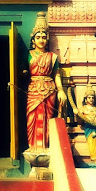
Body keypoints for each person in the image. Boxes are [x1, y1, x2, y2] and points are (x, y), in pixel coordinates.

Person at [26, 12, 67, 152]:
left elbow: (56, 75)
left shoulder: (52, 57)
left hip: (49, 89)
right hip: (33, 90)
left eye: (44, 37)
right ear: (33, 40)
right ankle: (33, 146)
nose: (41, 40)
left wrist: (61, 90)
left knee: (47, 118)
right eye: (38, 37)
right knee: (32, 118)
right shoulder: (28, 55)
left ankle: (45, 146)